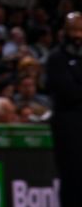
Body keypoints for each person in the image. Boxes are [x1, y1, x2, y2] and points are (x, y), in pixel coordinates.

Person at [46, 11, 82, 206]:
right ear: (65, 32)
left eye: (81, 30)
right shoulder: (56, 58)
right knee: (72, 176)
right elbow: (67, 91)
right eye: (74, 30)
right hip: (68, 126)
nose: (78, 35)